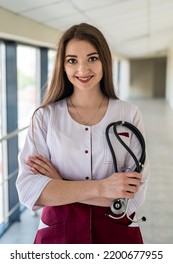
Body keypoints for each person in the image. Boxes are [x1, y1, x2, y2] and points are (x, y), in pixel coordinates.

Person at [16, 23, 150, 244]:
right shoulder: (45, 117)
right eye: (72, 60)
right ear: (63, 66)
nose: (82, 69)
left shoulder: (129, 114)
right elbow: (29, 190)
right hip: (59, 235)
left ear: (104, 60)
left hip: (116, 234)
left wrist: (60, 183)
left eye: (92, 58)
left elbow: (133, 197)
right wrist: (103, 187)